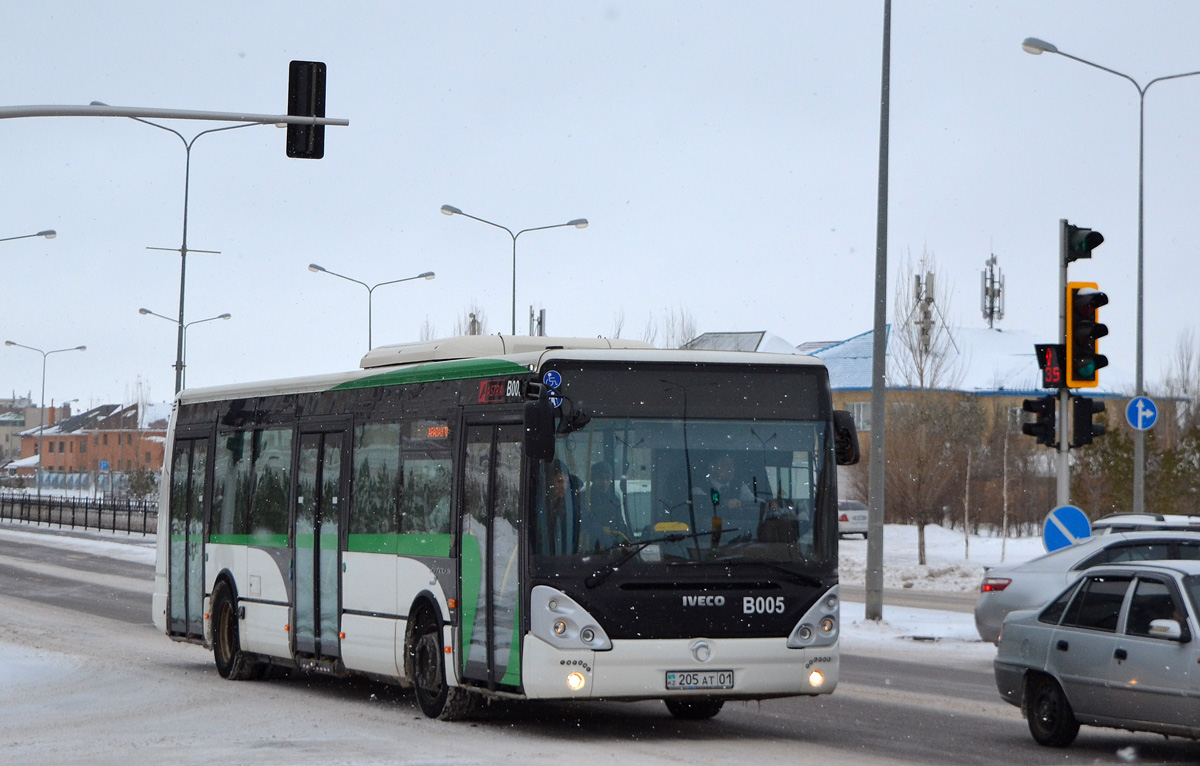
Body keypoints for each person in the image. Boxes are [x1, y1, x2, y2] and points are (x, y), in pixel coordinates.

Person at [580, 462, 629, 552]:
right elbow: (588, 524)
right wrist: (607, 542)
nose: (605, 482)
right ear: (593, 479)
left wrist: (627, 542)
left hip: (612, 550)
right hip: (590, 549)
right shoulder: (584, 499)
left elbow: (620, 524)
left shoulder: (614, 500)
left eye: (608, 478)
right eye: (601, 478)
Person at [535, 459, 579, 555]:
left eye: (566, 482)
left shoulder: (566, 505)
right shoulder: (539, 504)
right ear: (550, 481)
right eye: (559, 481)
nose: (564, 486)